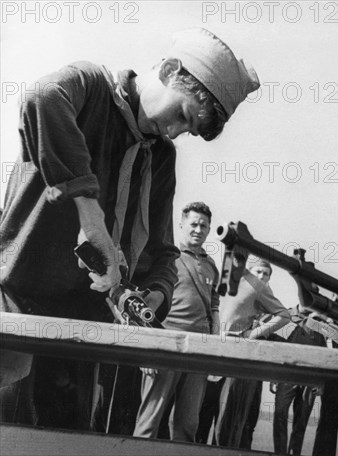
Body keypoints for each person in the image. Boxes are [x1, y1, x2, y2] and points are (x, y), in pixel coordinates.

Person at [0, 27, 259, 431]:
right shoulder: (88, 85)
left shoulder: (161, 158)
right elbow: (40, 98)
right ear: (171, 70)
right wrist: (88, 209)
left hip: (84, 335)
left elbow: (163, 251)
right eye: (182, 116)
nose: (173, 132)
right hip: (16, 313)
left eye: (186, 130)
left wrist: (157, 291)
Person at [133, 202, 220, 442]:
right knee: (149, 422)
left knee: (188, 425)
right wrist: (147, 350)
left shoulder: (212, 265)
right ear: (181, 225)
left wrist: (213, 351)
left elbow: (214, 311)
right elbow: (144, 306)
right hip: (165, 344)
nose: (198, 229)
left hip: (198, 351)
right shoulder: (166, 258)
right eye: (193, 224)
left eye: (204, 226)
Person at [214, 259, 291, 448]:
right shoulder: (227, 281)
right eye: (259, 271)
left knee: (234, 421)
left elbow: (284, 317)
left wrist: (252, 333)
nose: (262, 277)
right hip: (215, 350)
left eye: (266, 274)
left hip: (244, 361)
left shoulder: (263, 294)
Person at [272, 305, 326, 456]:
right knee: (279, 414)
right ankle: (280, 453)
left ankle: (294, 453)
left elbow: (325, 354)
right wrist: (274, 376)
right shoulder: (287, 317)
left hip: (309, 380)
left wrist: (320, 382)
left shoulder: (320, 321)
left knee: (300, 423)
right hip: (286, 377)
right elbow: (277, 346)